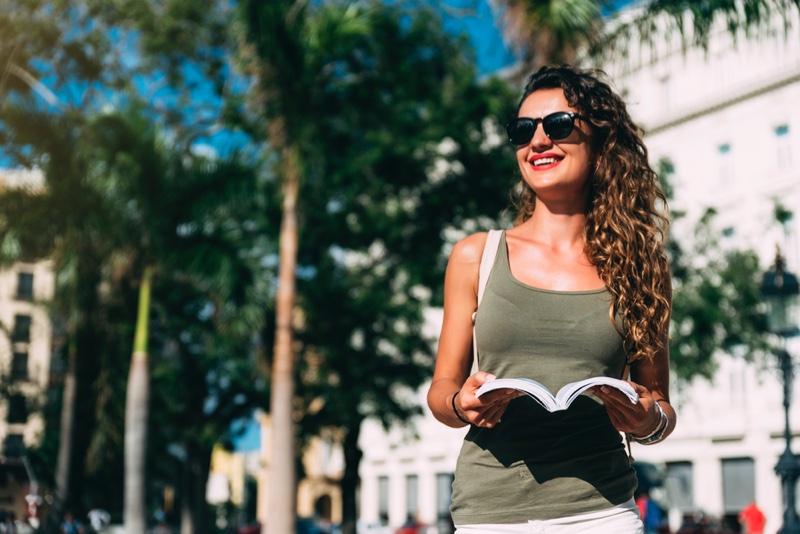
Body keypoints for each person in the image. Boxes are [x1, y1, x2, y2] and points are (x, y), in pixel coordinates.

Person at [427, 64, 676, 533]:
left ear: (601, 144)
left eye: (558, 125)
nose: (538, 141)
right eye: (523, 131)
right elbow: (441, 390)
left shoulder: (642, 267)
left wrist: (645, 421)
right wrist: (462, 404)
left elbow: (661, 404)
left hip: (603, 513)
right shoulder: (474, 256)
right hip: (490, 515)